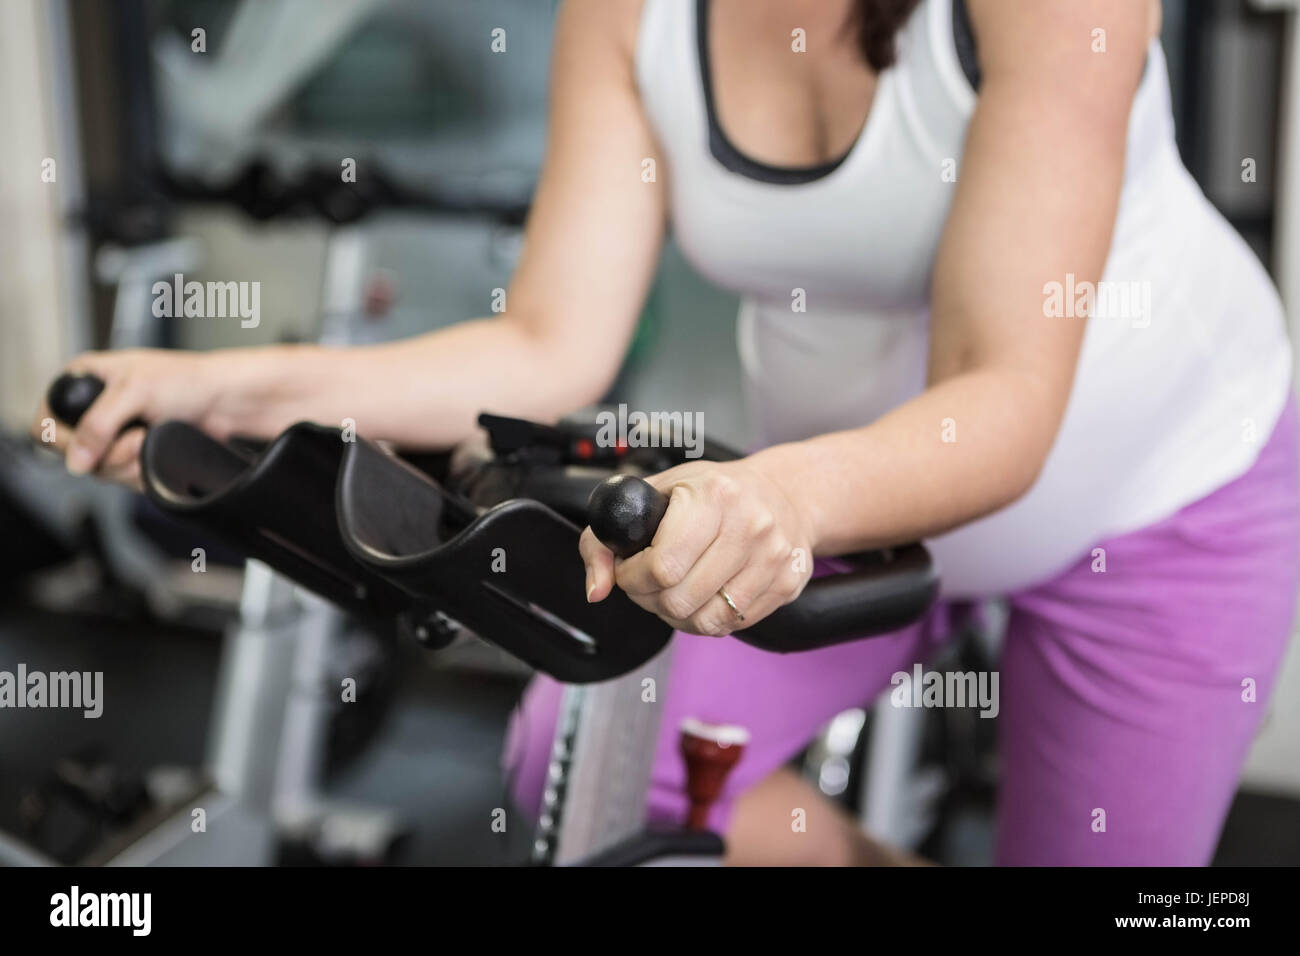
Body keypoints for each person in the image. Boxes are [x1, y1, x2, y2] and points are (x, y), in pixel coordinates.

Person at [38, 0, 1299, 865]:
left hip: (1163, 495)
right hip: (842, 486)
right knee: (591, 762)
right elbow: (545, 342)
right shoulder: (637, 14)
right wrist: (230, 391)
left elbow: (1006, 398)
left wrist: (785, 503)